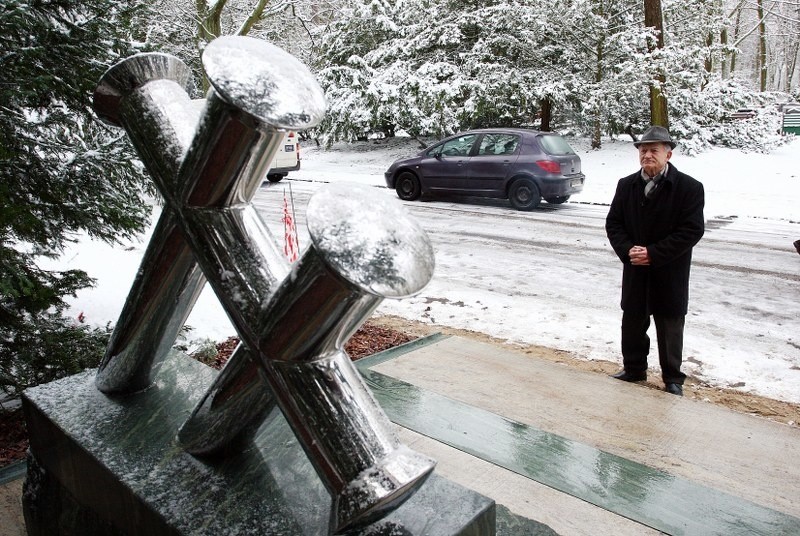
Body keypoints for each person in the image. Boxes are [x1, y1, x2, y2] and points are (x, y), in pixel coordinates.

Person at [605, 126, 705, 397]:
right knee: (634, 319)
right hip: (636, 267)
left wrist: (654, 253)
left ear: (668, 154)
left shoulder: (689, 188)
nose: (647, 155)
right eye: (643, 150)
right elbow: (614, 223)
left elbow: (691, 230)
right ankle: (634, 368)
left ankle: (673, 377)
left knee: (670, 322)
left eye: (654, 150)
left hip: (669, 268)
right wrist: (628, 251)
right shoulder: (626, 185)